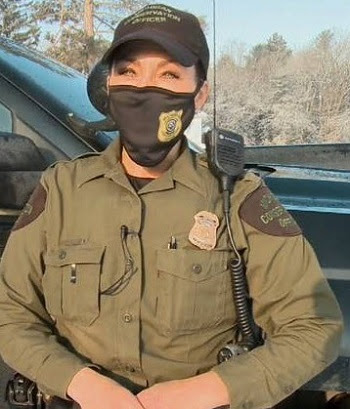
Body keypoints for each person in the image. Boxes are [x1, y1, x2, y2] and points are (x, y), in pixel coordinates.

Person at [0, 4, 343, 409]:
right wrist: (81, 383)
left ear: (200, 93)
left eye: (168, 75)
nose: (144, 90)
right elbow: (10, 314)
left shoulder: (239, 197)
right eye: (128, 72)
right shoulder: (61, 189)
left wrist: (207, 390)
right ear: (107, 87)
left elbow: (314, 327)